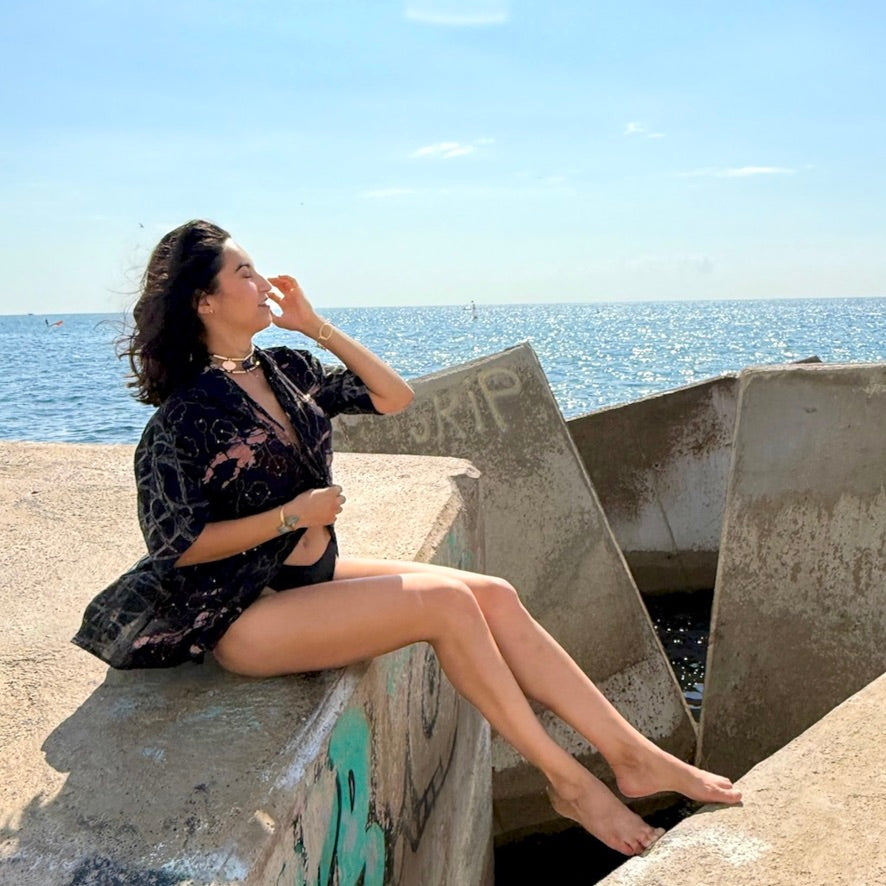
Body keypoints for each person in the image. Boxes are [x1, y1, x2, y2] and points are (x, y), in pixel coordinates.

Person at [73, 219, 741, 857]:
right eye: (244, 271)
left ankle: (631, 754)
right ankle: (568, 782)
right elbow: (178, 546)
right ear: (206, 300)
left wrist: (317, 326)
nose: (264, 279)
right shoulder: (184, 419)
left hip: (306, 576)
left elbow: (394, 398)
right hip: (244, 613)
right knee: (446, 608)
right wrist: (291, 516)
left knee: (494, 595)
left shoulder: (285, 370)